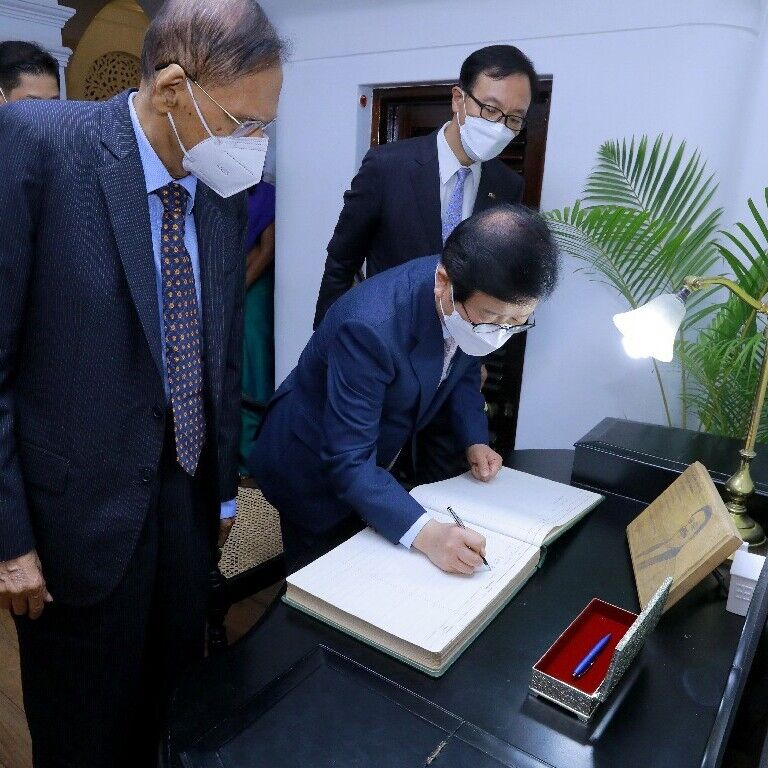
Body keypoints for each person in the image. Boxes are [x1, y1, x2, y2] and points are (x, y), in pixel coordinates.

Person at [0, 1, 284, 765]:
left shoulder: (219, 185)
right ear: (171, 88)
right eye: (242, 122)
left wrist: (222, 494)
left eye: (264, 127)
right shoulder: (37, 147)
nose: (253, 148)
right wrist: (9, 539)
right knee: (84, 733)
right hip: (75, 517)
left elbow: (220, 347)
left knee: (174, 712)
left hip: (186, 506)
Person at [249, 204, 559, 574]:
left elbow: (462, 365)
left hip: (373, 455)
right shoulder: (369, 328)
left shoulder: (468, 304)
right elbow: (348, 459)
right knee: (321, 577)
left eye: (517, 321)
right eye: (491, 318)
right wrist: (430, 535)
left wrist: (474, 438)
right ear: (443, 281)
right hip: (311, 463)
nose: (499, 332)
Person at [313, 44, 538, 483]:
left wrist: (480, 348)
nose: (500, 127)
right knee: (362, 475)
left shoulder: (505, 185)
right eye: (491, 110)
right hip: (383, 357)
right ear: (459, 99)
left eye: (514, 119)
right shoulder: (389, 166)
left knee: (439, 483)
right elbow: (341, 262)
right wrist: (328, 347)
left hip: (453, 370)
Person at [240, 180, 277, 470]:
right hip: (225, 288)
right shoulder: (214, 187)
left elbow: (267, 251)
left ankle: (252, 460)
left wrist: (239, 290)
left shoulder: (266, 195)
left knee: (255, 370)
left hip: (253, 294)